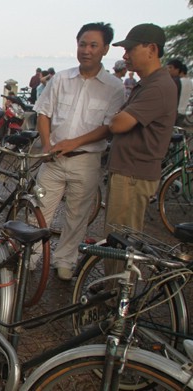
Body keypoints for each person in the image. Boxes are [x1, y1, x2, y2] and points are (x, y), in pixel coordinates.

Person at [33, 22, 125, 281]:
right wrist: (48, 145)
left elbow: (108, 126)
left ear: (105, 49)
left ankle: (64, 261)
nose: (86, 50)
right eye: (82, 44)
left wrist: (74, 143)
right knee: (39, 209)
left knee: (77, 216)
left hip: (86, 161)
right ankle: (30, 256)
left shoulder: (114, 87)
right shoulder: (61, 78)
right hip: (52, 159)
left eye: (93, 45)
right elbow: (44, 113)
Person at [106, 23, 177, 235]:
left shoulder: (158, 87)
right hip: (128, 171)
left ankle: (119, 271)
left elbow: (118, 123)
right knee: (115, 235)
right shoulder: (147, 83)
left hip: (133, 175)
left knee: (119, 239)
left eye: (130, 49)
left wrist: (115, 118)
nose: (126, 56)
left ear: (152, 49)